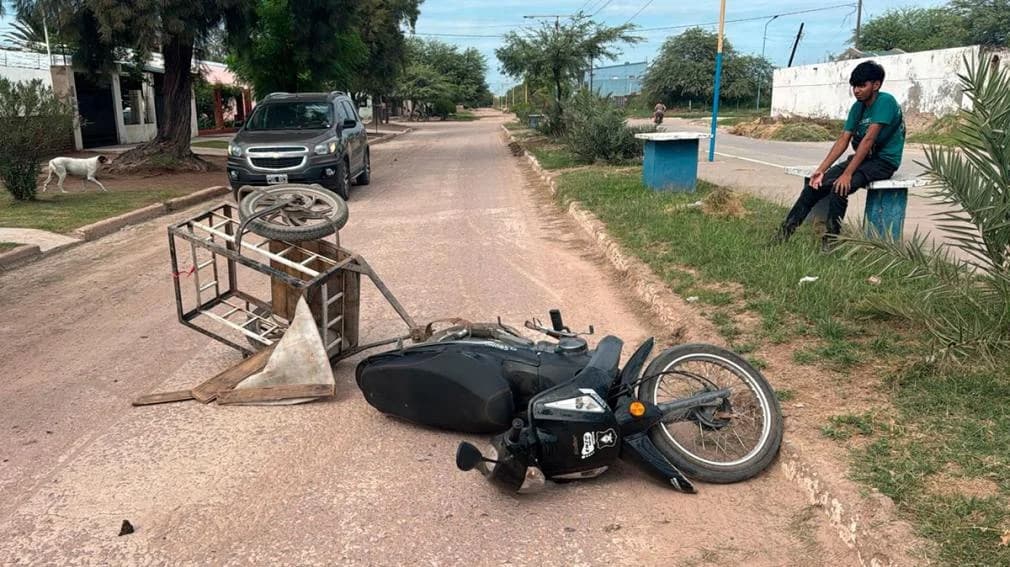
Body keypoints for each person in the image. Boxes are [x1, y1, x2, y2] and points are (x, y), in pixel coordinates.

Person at [772, 61, 905, 251]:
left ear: (876, 85)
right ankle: (783, 235)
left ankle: (830, 243)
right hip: (862, 158)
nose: (856, 90)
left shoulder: (886, 102)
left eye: (862, 85)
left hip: (884, 162)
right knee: (813, 186)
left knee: (839, 188)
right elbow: (843, 140)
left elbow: (868, 140)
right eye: (854, 86)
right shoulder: (858, 107)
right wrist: (820, 170)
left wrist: (847, 174)